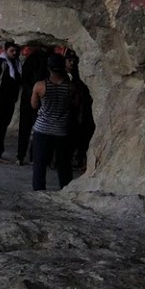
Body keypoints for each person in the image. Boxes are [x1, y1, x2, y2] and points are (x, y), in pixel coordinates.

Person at [27, 53, 78, 191]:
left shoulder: (40, 86)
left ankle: (39, 192)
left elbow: (34, 105)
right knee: (64, 165)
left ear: (48, 68)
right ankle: (66, 190)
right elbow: (75, 105)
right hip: (62, 130)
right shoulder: (71, 87)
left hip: (42, 129)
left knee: (40, 165)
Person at [15, 44, 52, 164]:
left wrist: (32, 92)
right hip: (37, 97)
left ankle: (23, 156)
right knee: (35, 128)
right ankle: (29, 156)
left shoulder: (32, 59)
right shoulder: (44, 59)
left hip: (31, 97)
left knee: (28, 128)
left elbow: (24, 78)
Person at [65, 50, 95, 172]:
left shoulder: (79, 76)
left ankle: (78, 158)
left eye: (74, 60)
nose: (72, 63)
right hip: (68, 112)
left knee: (82, 136)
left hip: (81, 112)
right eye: (69, 60)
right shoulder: (61, 75)